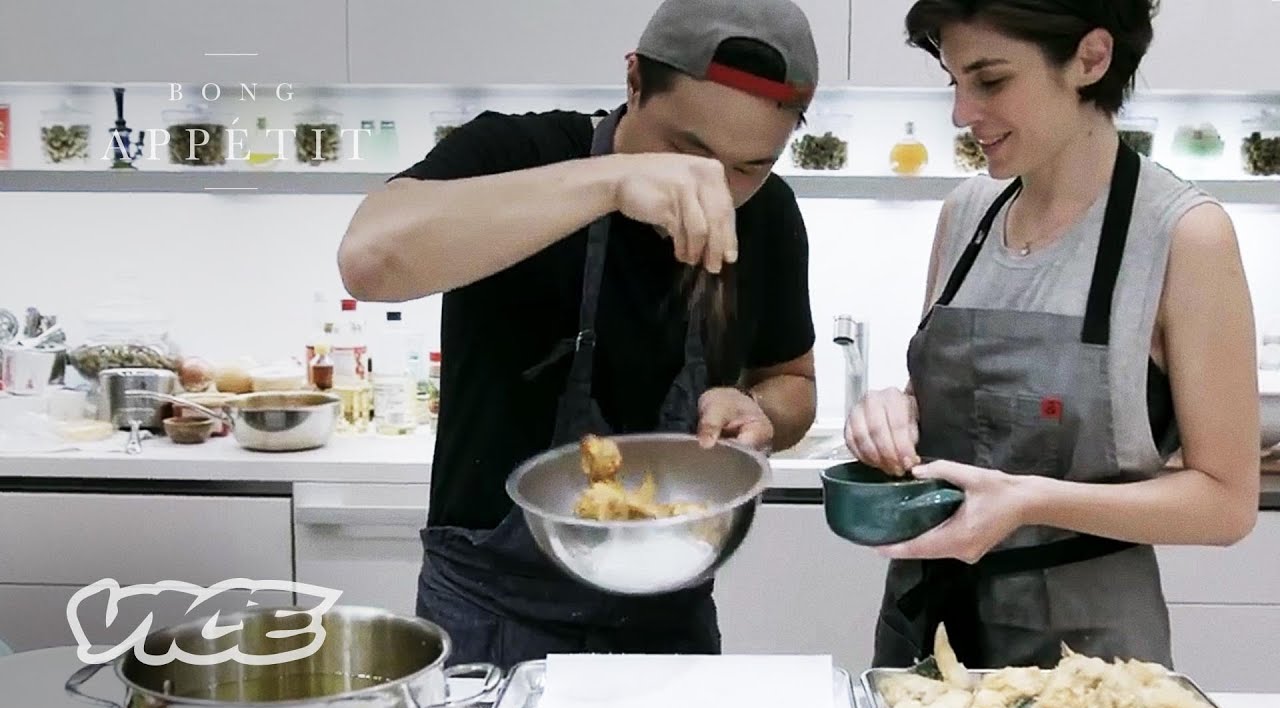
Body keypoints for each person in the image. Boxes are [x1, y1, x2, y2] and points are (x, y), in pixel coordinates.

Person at [337, 0, 821, 669]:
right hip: (490, 616)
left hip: (669, 623)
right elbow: (369, 260)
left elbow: (792, 382)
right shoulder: (514, 154)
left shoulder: (769, 215)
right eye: (687, 152)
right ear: (632, 82)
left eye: (751, 166)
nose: (716, 189)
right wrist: (615, 183)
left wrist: (760, 411)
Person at [845, 0, 1261, 669]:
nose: (961, 113)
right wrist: (894, 412)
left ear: (1090, 60)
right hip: (929, 633)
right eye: (955, 82)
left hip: (1086, 656)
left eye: (990, 80)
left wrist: (1028, 502)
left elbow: (1225, 502)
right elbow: (963, 405)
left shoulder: (1182, 234)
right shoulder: (967, 213)